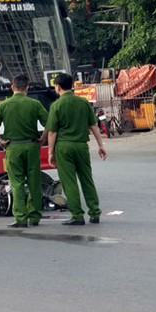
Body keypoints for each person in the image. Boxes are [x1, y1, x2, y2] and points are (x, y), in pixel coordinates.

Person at [0, 75, 48, 228]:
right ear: (27, 88)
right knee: (34, 182)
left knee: (17, 183)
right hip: (32, 146)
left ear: (12, 87)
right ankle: (35, 216)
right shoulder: (35, 104)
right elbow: (49, 123)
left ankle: (20, 217)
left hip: (13, 148)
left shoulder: (4, 105)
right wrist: (42, 139)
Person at [46, 72, 107, 225]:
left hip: (64, 147)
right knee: (87, 179)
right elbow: (94, 126)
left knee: (69, 182)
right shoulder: (84, 103)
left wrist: (50, 152)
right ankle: (94, 213)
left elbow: (52, 132)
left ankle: (77, 216)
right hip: (81, 146)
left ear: (58, 87)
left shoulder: (56, 105)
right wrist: (101, 145)